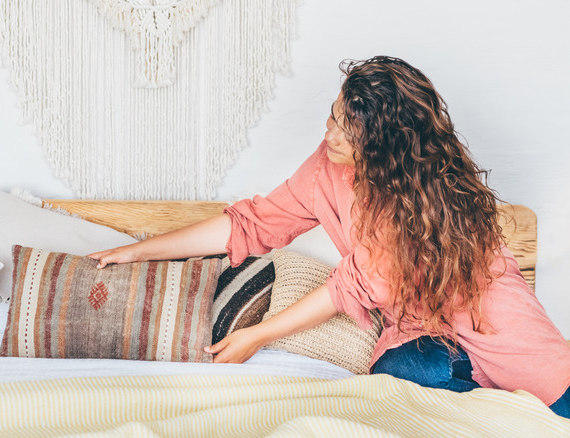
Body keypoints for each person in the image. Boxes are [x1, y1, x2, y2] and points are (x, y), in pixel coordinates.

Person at [88, 56, 570, 418]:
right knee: (396, 377)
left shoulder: (417, 197)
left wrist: (257, 335)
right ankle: (495, 408)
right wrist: (138, 249)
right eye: (335, 113)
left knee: (558, 400)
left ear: (380, 147)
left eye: (343, 126)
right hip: (426, 334)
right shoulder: (327, 166)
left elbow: (348, 287)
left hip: (492, 318)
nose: (328, 129)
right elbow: (252, 223)